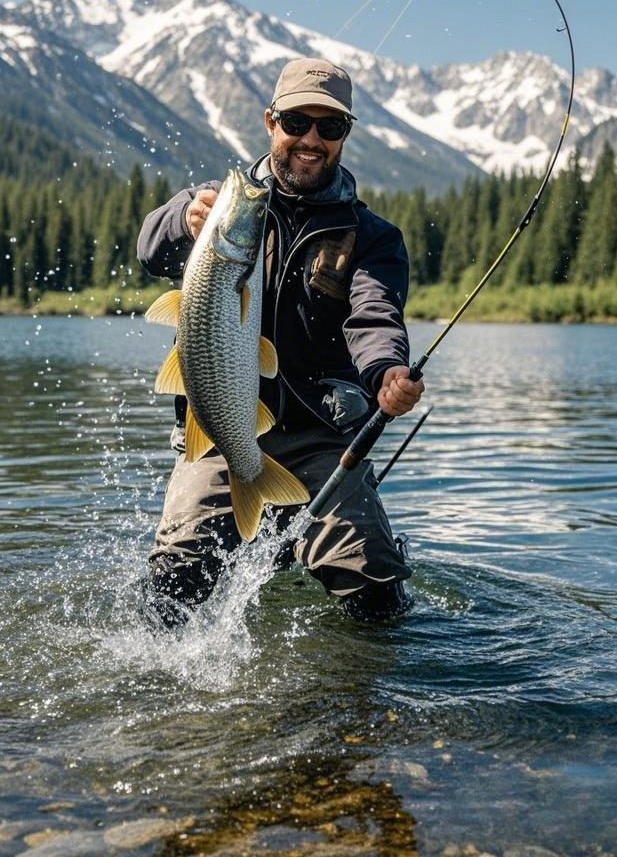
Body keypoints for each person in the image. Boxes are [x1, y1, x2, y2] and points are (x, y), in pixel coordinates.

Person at [136, 57, 425, 626]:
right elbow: (152, 250)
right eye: (296, 122)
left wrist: (387, 372)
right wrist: (182, 221)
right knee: (170, 590)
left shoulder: (372, 238)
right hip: (216, 433)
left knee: (378, 598)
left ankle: (362, 706)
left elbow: (374, 317)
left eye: (330, 127)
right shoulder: (221, 206)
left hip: (322, 440)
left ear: (345, 136)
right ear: (271, 122)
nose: (310, 139)